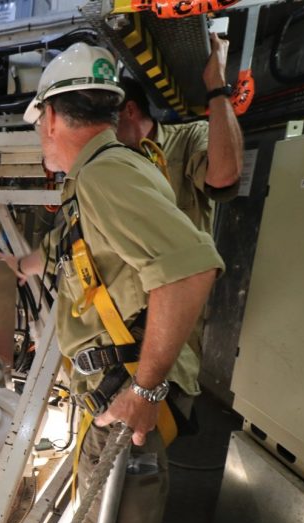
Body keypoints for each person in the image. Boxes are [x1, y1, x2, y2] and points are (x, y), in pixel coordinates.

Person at [0, 43, 224, 523]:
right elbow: (80, 255)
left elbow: (191, 269)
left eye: (40, 124)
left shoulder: (105, 175)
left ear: (49, 118)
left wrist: (145, 393)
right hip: (113, 386)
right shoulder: (94, 179)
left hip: (132, 390)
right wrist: (24, 265)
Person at [115, 33, 243, 359]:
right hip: (120, 316)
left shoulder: (187, 138)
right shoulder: (114, 162)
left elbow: (224, 174)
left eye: (106, 116)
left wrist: (216, 88)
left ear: (129, 110)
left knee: (167, 398)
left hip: (172, 315)